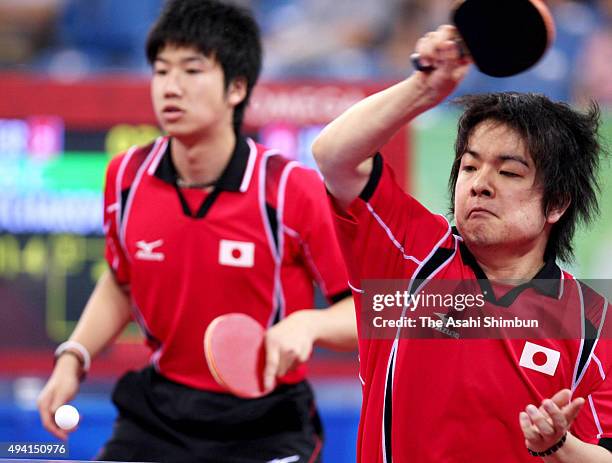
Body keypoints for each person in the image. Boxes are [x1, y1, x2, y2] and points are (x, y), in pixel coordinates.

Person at [37, 1, 356, 462]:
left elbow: (367, 310)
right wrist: (75, 357)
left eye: (192, 70)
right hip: (159, 413)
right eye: (162, 70)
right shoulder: (126, 178)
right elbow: (122, 280)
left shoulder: (289, 190)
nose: (171, 87)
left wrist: (312, 323)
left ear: (237, 88)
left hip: (266, 421)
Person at [312, 25, 612, 462]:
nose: (480, 185)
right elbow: (334, 156)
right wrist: (422, 89)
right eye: (470, 167)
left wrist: (559, 446)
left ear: (557, 204)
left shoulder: (593, 326)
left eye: (509, 172)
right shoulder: (411, 257)